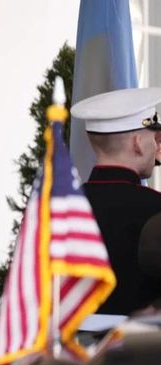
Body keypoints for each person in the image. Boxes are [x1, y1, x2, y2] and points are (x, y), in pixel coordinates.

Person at [71, 88, 161, 329]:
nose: (157, 145)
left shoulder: (54, 208)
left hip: (68, 346)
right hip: (140, 347)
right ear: (138, 143)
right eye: (154, 138)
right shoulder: (156, 208)